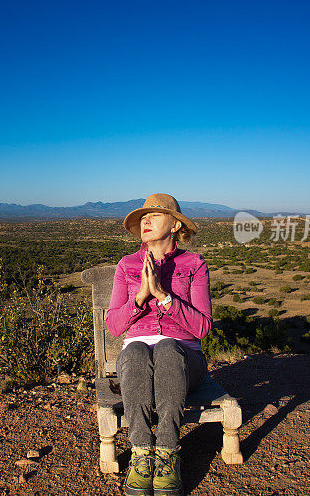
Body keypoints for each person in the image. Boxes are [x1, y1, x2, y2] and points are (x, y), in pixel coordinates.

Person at [106, 193, 212, 496]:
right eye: (143, 217)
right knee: (136, 350)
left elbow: (202, 327)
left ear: (176, 224)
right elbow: (114, 326)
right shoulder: (127, 265)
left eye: (155, 214)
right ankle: (141, 453)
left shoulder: (194, 264)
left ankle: (166, 452)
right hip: (138, 361)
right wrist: (140, 296)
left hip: (184, 360)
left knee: (167, 349)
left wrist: (164, 296)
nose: (146, 221)